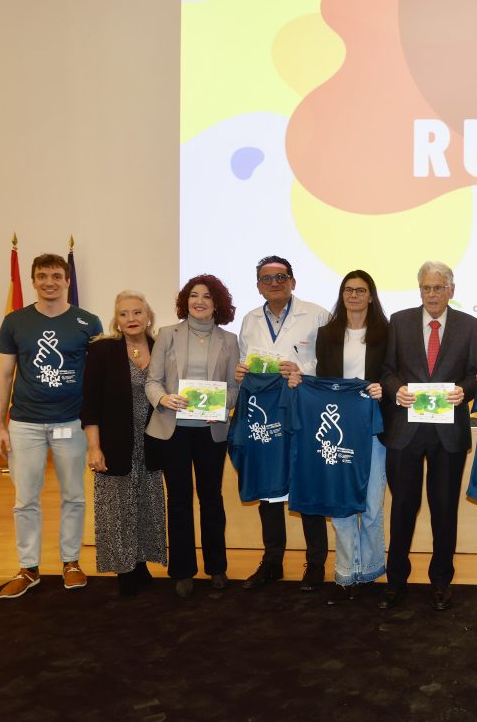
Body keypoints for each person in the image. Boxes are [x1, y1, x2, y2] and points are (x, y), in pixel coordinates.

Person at [0, 253, 103, 599]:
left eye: (57, 276)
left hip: (72, 422)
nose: (49, 282)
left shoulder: (89, 322)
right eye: (42, 276)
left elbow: (98, 376)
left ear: (67, 281)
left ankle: (71, 563)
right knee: (25, 499)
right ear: (33, 281)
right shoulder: (14, 321)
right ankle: (29, 568)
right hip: (24, 424)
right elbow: (3, 375)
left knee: (73, 496)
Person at [379, 261, 477, 611]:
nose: (432, 294)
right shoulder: (399, 321)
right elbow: (387, 371)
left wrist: (464, 391)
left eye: (439, 287)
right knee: (402, 509)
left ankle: (441, 581)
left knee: (444, 510)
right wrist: (397, 390)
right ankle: (396, 581)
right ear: (420, 289)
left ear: (451, 290)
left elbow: (474, 374)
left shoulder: (469, 325)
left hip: (448, 433)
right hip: (405, 431)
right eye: (426, 288)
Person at [233, 256, 331, 591]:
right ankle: (272, 562)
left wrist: (303, 369)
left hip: (304, 410)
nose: (274, 283)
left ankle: (315, 564)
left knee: (307, 484)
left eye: (281, 276)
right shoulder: (249, 320)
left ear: (293, 281)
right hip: (266, 414)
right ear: (258, 286)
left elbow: (330, 362)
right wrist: (241, 371)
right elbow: (245, 361)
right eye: (267, 278)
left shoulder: (317, 315)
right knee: (269, 488)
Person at [145, 275, 240, 598]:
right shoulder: (167, 334)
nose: (200, 301)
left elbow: (235, 388)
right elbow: (152, 380)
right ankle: (183, 571)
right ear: (186, 300)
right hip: (173, 431)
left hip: (211, 432)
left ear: (217, 304)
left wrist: (221, 405)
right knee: (179, 500)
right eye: (194, 295)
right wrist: (163, 398)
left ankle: (217, 568)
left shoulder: (229, 340)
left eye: (207, 296)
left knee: (212, 498)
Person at [81, 290, 167, 596]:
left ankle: (141, 562)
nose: (131, 318)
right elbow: (90, 404)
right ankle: (124, 569)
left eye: (137, 312)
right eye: (124, 314)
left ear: (149, 317)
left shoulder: (161, 348)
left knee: (146, 504)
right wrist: (94, 447)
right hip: (115, 444)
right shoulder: (102, 351)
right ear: (116, 321)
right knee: (116, 509)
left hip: (152, 443)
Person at [314, 270, 389, 604]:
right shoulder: (327, 334)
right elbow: (320, 379)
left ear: (371, 296)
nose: (354, 295)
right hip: (338, 429)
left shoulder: (387, 333)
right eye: (348, 289)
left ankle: (370, 570)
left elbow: (393, 376)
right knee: (342, 503)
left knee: (372, 504)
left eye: (360, 290)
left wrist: (383, 389)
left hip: (373, 428)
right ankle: (346, 573)